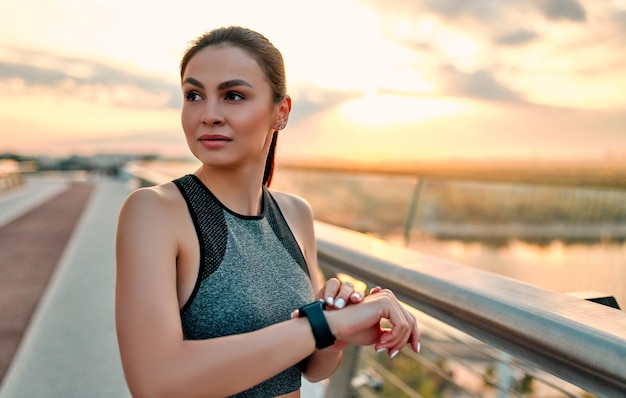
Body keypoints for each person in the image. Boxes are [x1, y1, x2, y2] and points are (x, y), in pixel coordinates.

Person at [115, 26, 420, 398]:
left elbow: (314, 369)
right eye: (194, 95)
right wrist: (321, 324)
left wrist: (337, 327)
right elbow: (155, 383)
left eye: (232, 95)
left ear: (281, 112)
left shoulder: (295, 214)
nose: (208, 114)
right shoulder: (155, 210)